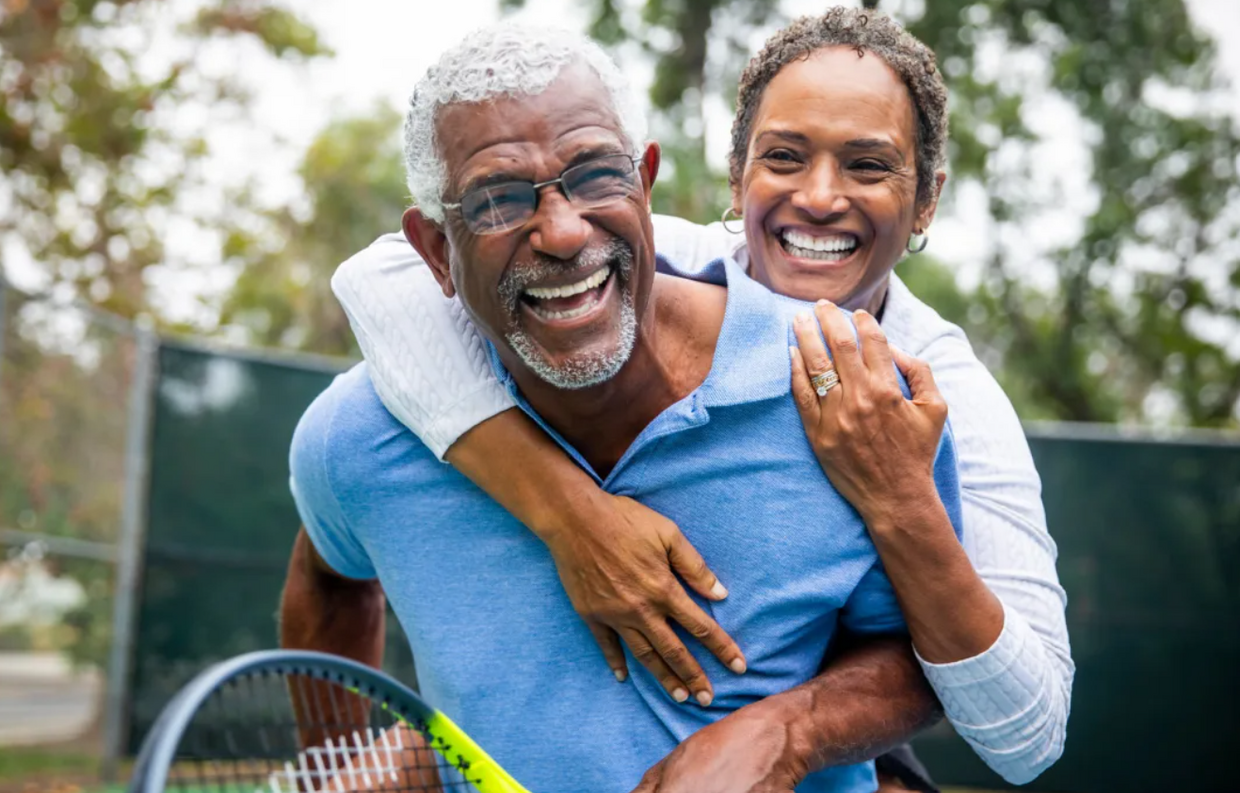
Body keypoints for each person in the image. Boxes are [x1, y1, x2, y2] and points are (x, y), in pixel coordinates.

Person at [330, 8, 1072, 790]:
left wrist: (897, 500)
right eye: (784, 156)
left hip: (850, 704)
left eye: (867, 166)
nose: (819, 197)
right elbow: (380, 278)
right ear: (737, 173)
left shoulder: (945, 388)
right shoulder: (639, 259)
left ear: (925, 201)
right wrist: (571, 514)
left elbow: (1027, 734)